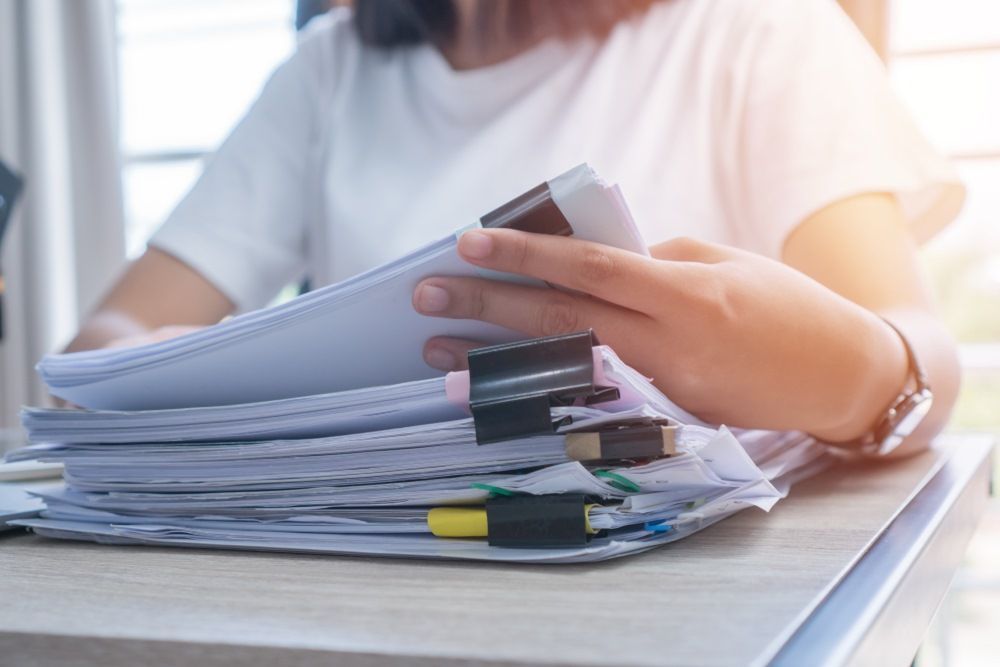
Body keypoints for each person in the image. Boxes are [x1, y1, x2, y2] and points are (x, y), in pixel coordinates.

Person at [67, 0, 965, 455]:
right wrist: (197, 368)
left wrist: (836, 372)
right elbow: (99, 348)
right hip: (379, 583)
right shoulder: (327, 75)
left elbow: (922, 351)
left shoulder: (755, 31)